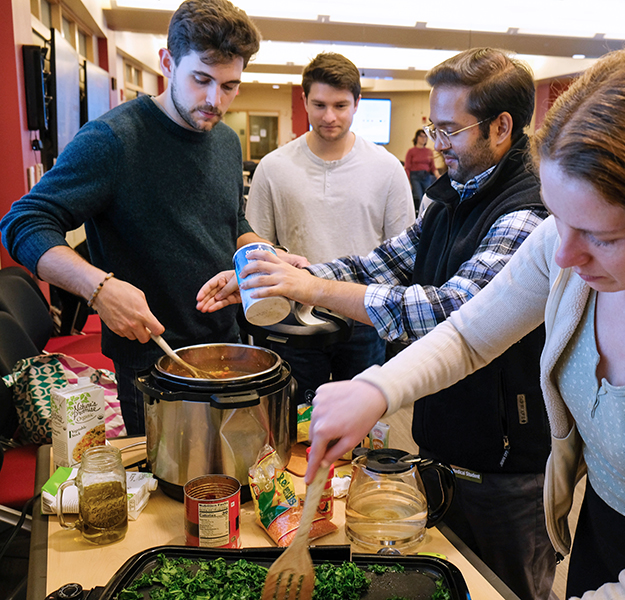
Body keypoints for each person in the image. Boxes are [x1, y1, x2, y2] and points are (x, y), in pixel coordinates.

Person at [306, 42, 625, 600]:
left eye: (603, 237)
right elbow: (469, 335)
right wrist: (375, 389)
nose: (562, 257)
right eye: (557, 216)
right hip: (599, 522)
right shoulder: (564, 240)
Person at [198, 48, 555, 600]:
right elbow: (383, 262)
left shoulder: (528, 210)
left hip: (505, 461)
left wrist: (312, 289)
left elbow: (452, 311)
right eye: (432, 127)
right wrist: (285, 274)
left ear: (502, 126)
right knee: (452, 579)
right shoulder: (452, 193)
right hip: (445, 438)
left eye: (449, 130)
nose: (436, 144)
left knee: (505, 588)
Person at [0, 0, 304, 436]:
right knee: (172, 495)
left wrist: (263, 254)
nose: (215, 100)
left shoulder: (224, 141)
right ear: (167, 62)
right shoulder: (113, 140)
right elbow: (23, 222)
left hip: (228, 344)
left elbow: (230, 221)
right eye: (201, 80)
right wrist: (98, 289)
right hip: (154, 364)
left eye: (230, 85)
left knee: (236, 488)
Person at [245, 52, 415, 401]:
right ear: (304, 100)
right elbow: (257, 243)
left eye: (340, 105)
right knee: (294, 417)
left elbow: (404, 252)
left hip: (365, 316)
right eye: (319, 104)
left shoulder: (387, 169)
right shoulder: (274, 167)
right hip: (293, 316)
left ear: (357, 103)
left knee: (361, 420)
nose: (330, 117)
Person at [404, 129, 439, 212]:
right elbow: (407, 168)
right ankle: (419, 217)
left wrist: (438, 176)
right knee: (419, 197)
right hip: (415, 177)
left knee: (429, 197)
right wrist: (408, 182)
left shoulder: (429, 151)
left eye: (425, 137)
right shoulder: (411, 151)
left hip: (426, 176)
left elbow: (433, 167)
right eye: (421, 136)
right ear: (417, 138)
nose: (423, 138)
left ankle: (428, 215)